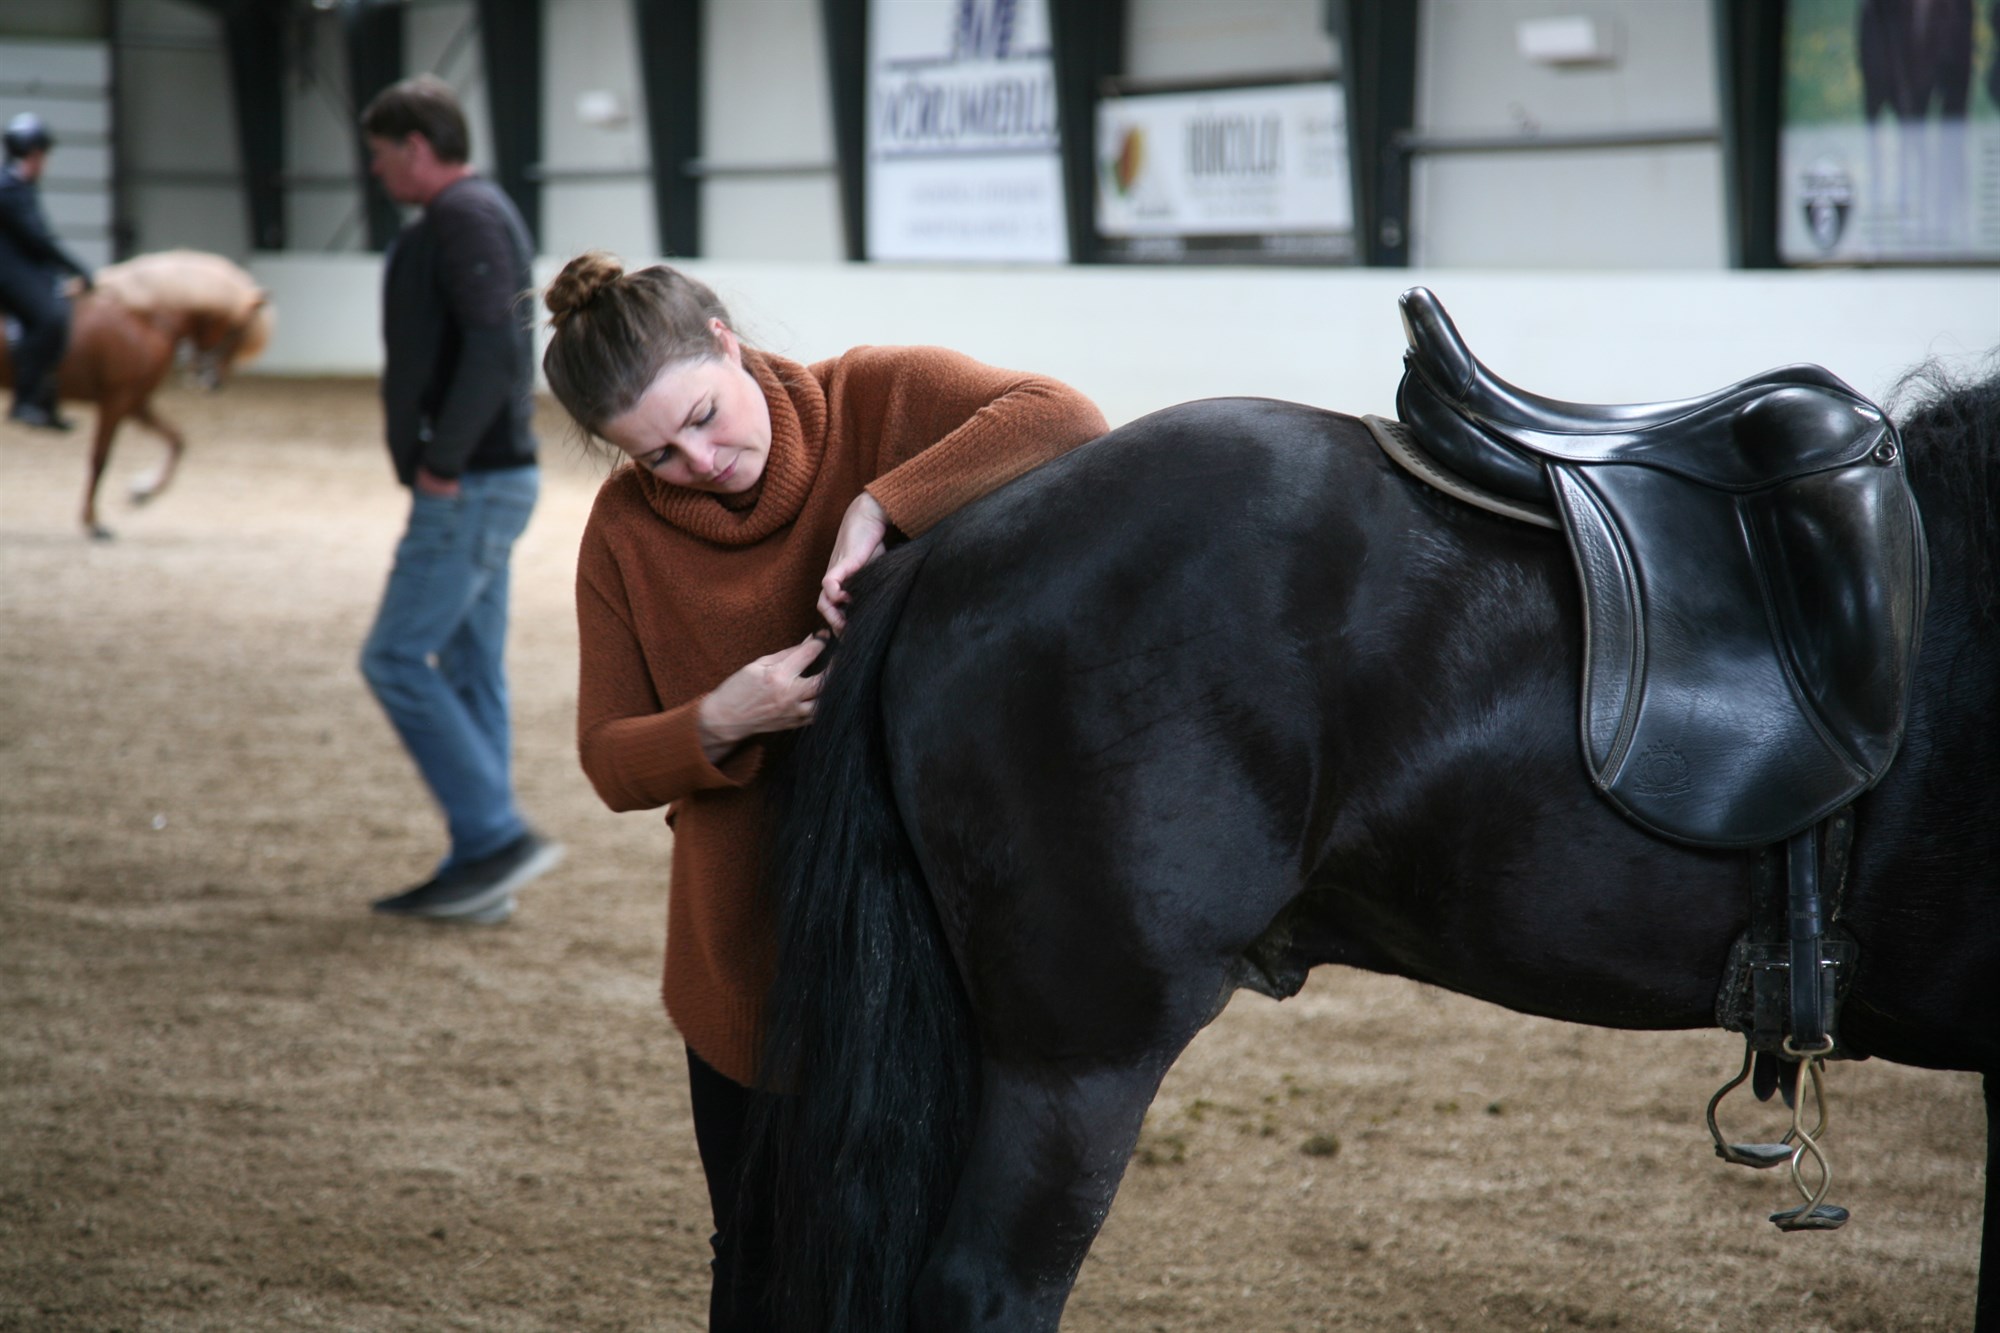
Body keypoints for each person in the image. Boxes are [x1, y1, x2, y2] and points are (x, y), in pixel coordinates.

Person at [541, 252, 1108, 1330]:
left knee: (922, 1250)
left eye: (704, 418)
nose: (698, 461)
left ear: (723, 339)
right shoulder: (620, 535)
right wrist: (721, 718)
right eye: (654, 454)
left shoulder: (879, 396)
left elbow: (1064, 415)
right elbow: (609, 758)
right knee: (754, 1260)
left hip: (926, 939)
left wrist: (877, 505)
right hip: (745, 955)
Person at [356, 76, 561, 924]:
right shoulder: (469, 216)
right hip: (485, 476)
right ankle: (484, 870)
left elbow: (494, 350)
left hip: (471, 482)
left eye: (379, 154)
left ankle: (495, 834)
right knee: (472, 667)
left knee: (396, 657)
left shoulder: (465, 216)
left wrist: (441, 462)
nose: (375, 172)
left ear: (415, 145)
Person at [0, 111, 93, 431]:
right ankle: (24, 400)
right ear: (35, 154)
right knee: (49, 317)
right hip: (6, 271)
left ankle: (46, 401)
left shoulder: (21, 185)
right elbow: (38, 240)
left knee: (61, 309)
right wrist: (77, 268)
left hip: (21, 267)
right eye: (45, 154)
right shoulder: (8, 188)